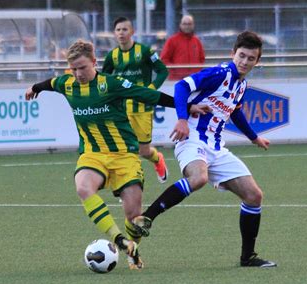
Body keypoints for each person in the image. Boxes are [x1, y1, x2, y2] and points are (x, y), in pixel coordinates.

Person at [26, 40, 207, 270]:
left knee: (134, 218)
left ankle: (132, 247)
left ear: (94, 62)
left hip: (124, 155)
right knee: (83, 187)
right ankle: (119, 240)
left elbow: (148, 95)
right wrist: (35, 88)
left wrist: (186, 107)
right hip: (93, 154)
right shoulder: (67, 84)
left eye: (82, 67)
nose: (78, 73)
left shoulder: (112, 84)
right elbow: (50, 83)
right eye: (73, 69)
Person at [132, 31, 277, 268]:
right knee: (199, 178)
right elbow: (181, 86)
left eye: (251, 58)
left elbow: (236, 111)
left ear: (257, 62)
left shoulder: (241, 84)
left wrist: (254, 137)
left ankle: (248, 257)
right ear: (233, 53)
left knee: (254, 196)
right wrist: (181, 118)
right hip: (191, 139)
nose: (244, 61)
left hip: (216, 147)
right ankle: (147, 217)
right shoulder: (219, 73)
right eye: (241, 56)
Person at [102, 17, 170, 184]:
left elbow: (162, 71)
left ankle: (157, 159)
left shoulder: (145, 51)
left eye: (125, 29)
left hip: (142, 108)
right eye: (118, 30)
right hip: (120, 109)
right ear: (114, 33)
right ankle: (128, 183)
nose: (121, 33)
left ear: (131, 32)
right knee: (122, 149)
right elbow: (104, 79)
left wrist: (151, 89)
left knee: (144, 151)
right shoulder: (112, 56)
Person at [161, 14, 205, 80]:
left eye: (189, 24)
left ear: (193, 25)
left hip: (194, 79)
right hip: (177, 79)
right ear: (180, 25)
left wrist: (197, 72)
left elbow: (202, 58)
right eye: (184, 24)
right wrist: (174, 72)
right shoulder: (172, 40)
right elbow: (164, 59)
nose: (187, 26)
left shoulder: (196, 41)